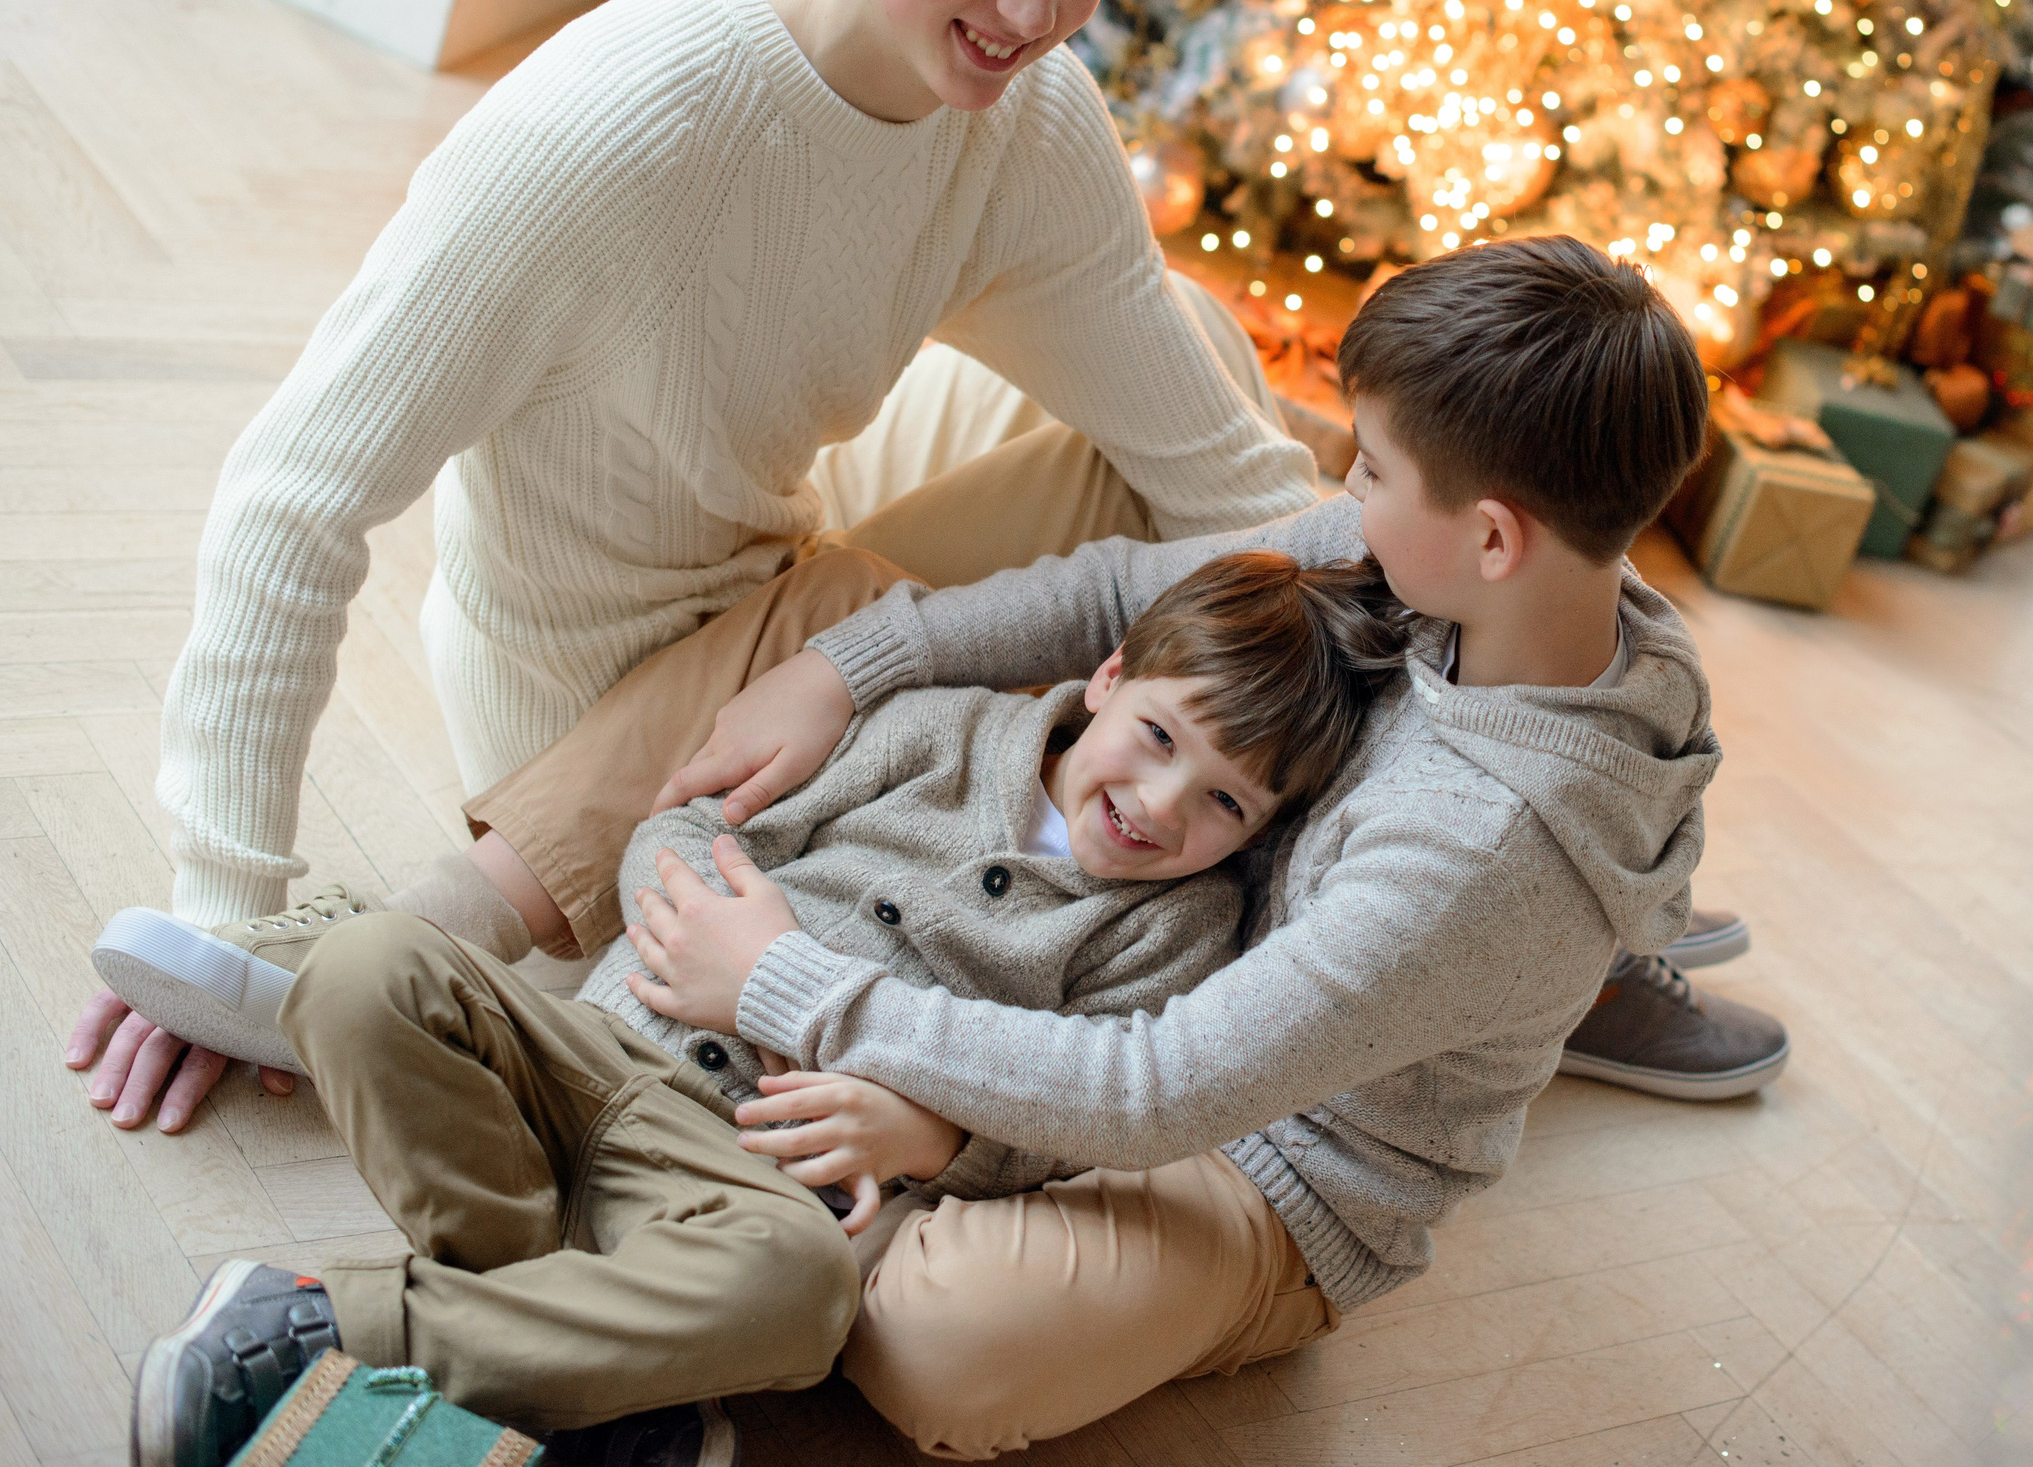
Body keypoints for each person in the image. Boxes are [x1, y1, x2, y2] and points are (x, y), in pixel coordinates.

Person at [318, 234, 1787, 1458]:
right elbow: (1112, 589)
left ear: (1495, 538)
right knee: (830, 618)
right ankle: (479, 981)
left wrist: (800, 998)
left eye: (1373, 470)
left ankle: (588, 1304)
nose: (1344, 493)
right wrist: (844, 667)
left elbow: (1162, 1085)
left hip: (1259, 1137)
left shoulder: (1478, 853)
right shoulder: (1460, 569)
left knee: (928, 1341)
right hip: (1205, 929)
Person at [70, 0, 1323, 1131]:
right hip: (600, 684)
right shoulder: (609, 128)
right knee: (990, 544)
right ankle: (424, 925)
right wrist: (224, 913)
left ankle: (1303, 809)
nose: (1036, 12)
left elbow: (1241, 488)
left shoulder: (1028, 121)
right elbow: (291, 501)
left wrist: (1494, 695)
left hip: (776, 529)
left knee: (1196, 347)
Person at [128, 551, 1406, 1467]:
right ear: (1110, 675)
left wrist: (943, 1138)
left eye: (1227, 803)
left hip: (745, 1175)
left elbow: (1075, 1112)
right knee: (368, 965)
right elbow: (696, 820)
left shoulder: (1180, 927)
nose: (1163, 806)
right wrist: (690, 915)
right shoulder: (939, 728)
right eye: (1162, 737)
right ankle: (603, 1384)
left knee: (798, 1289)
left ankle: (322, 1326)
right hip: (593, 1046)